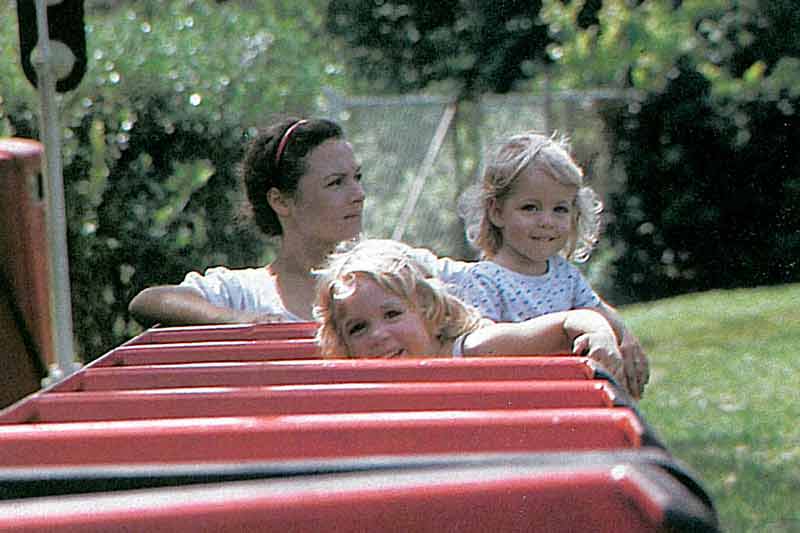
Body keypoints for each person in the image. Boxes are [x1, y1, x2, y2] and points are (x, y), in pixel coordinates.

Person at [453, 131, 648, 395]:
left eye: (560, 209)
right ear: (497, 212)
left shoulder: (565, 275)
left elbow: (599, 311)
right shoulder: (483, 280)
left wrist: (625, 338)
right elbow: (481, 348)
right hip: (513, 403)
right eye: (530, 208)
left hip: (567, 395)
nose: (546, 221)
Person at [313, 239, 638, 396]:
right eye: (358, 327)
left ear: (428, 309)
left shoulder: (468, 350)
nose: (378, 335)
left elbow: (569, 322)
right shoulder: (359, 388)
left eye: (392, 314)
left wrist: (600, 335)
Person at [129, 117, 365, 325]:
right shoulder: (245, 294)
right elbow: (149, 301)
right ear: (280, 201)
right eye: (336, 182)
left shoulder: (380, 282)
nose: (359, 194)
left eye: (357, 177)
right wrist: (239, 320)